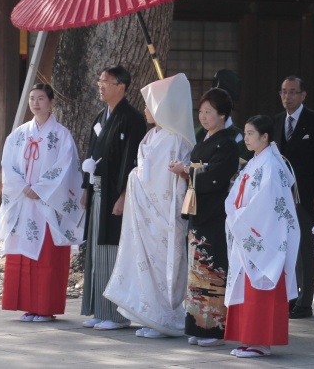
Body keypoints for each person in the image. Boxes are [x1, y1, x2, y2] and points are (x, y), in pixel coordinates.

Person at [103, 74, 196, 338]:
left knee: (162, 264)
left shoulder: (174, 140)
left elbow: (162, 180)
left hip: (162, 212)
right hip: (145, 213)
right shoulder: (150, 137)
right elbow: (143, 172)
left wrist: (135, 177)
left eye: (149, 105)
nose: (144, 110)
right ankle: (149, 315)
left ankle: (166, 318)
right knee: (145, 263)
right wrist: (135, 177)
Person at [0, 83, 84, 322]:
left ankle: (45, 307)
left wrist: (42, 188)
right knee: (22, 253)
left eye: (41, 98)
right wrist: (23, 187)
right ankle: (27, 305)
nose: (35, 103)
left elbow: (66, 167)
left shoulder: (61, 134)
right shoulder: (19, 133)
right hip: (23, 200)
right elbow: (8, 165)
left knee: (47, 255)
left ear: (51, 102)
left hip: (47, 202)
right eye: (32, 98)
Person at [224, 115, 301, 358]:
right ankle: (249, 339)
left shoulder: (271, 164)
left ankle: (261, 342)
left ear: (264, 136)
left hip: (263, 233)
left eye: (250, 133)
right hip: (248, 227)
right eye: (245, 133)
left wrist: (243, 219)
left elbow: (268, 202)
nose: (245, 138)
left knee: (261, 286)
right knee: (247, 287)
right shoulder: (256, 161)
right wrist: (236, 215)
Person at [169, 88, 239, 347]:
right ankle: (198, 325)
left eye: (209, 112)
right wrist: (184, 169)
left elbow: (217, 176)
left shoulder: (228, 143)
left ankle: (214, 330)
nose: (204, 116)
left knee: (213, 269)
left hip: (215, 212)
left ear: (222, 115)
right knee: (197, 271)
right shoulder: (205, 140)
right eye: (201, 111)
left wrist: (187, 170)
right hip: (199, 210)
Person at [81, 66, 147, 331]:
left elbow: (133, 163)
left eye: (106, 82)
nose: (101, 86)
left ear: (122, 86)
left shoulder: (131, 119)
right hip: (98, 190)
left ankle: (117, 315)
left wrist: (123, 196)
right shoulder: (101, 115)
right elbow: (91, 152)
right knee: (96, 253)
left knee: (112, 251)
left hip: (116, 194)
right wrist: (86, 187)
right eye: (100, 81)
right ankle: (99, 309)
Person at [271, 76, 314, 319]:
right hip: (280, 196)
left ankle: (305, 301)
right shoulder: (277, 121)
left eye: (293, 92)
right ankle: (290, 296)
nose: (287, 97)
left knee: (304, 248)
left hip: (304, 196)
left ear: (303, 95)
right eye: (284, 92)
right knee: (284, 247)